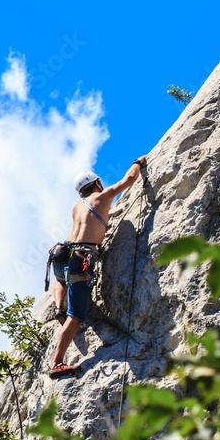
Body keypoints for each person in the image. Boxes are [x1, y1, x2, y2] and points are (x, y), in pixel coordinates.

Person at [49, 156, 148, 378]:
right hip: (81, 257)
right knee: (76, 316)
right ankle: (57, 363)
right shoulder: (102, 196)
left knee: (60, 280)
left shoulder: (77, 206)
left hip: (62, 252)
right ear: (97, 184)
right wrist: (137, 162)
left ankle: (58, 307)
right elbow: (129, 179)